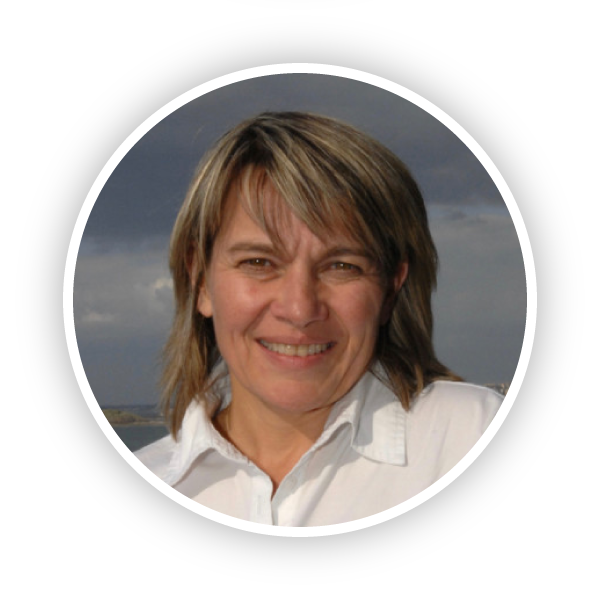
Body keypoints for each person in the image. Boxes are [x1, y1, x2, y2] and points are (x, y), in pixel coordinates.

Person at [135, 111, 503, 526]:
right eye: (259, 262)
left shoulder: (470, 437)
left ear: (390, 289)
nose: (299, 309)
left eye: (342, 266)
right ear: (200, 280)